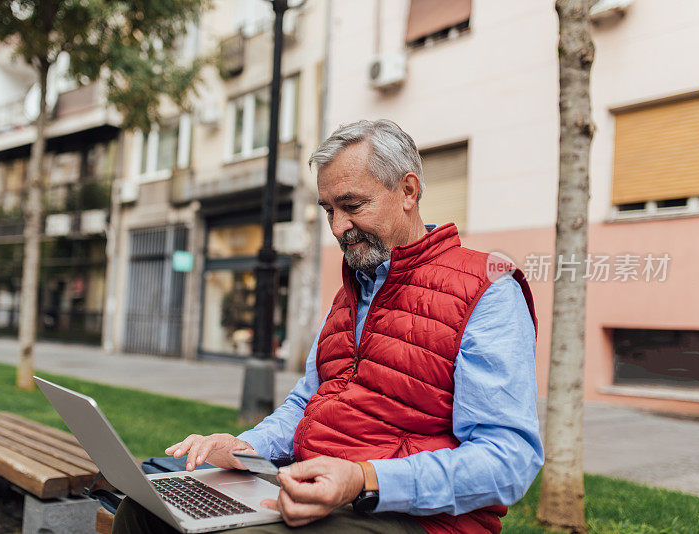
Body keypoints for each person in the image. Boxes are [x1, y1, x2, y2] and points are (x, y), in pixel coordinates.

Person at [113, 119, 543, 534]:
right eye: (328, 210)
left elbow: (509, 460)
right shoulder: (351, 290)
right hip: (313, 488)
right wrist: (246, 449)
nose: (338, 228)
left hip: (413, 517)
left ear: (408, 191)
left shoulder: (488, 289)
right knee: (143, 510)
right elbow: (307, 401)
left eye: (352, 206)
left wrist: (363, 479)